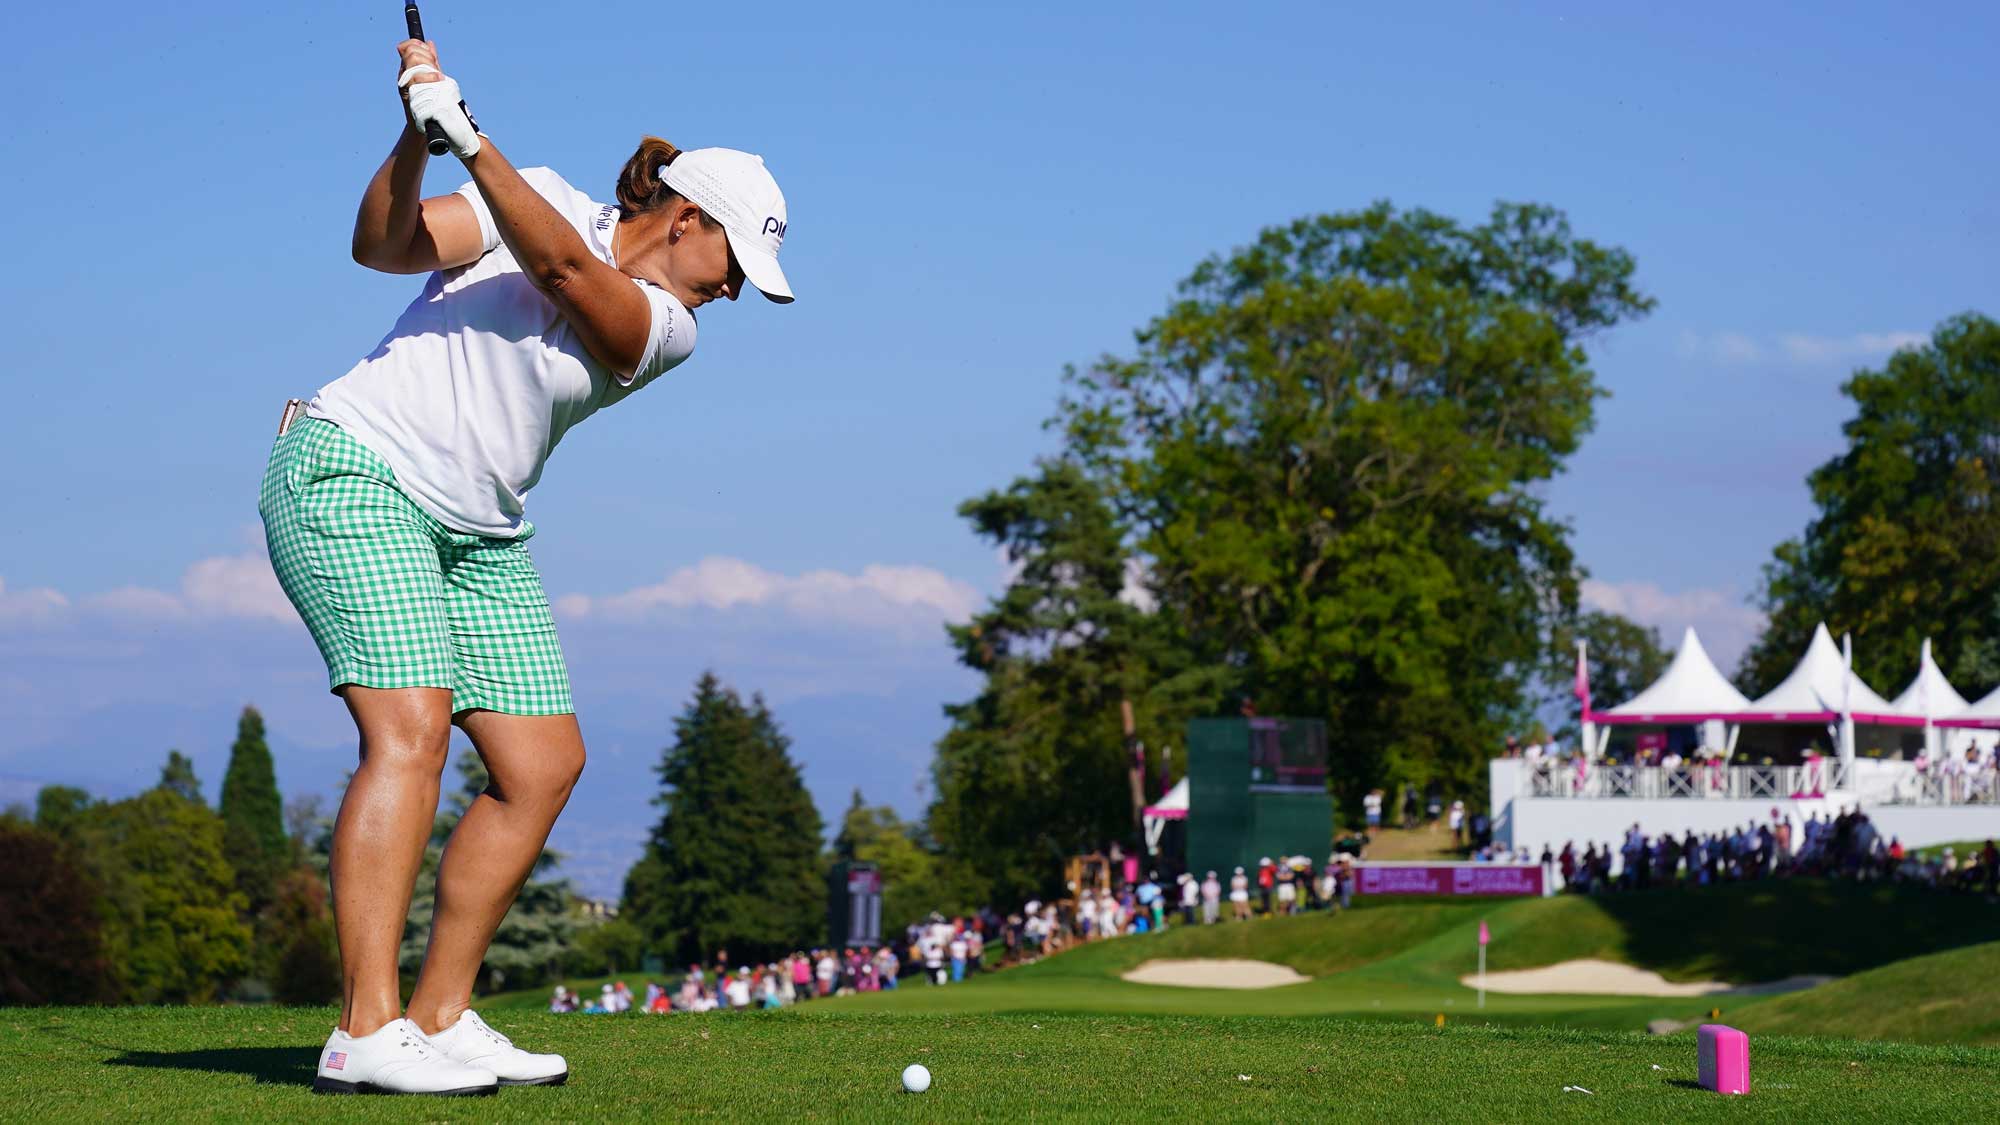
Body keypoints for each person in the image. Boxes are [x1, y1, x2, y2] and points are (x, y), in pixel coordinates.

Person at [285, 34, 794, 1099]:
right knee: (411, 731)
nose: (738, 293)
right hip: (355, 475)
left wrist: (471, 137)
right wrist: (418, 138)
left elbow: (564, 267)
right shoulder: (542, 195)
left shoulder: (666, 328)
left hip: (480, 533)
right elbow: (382, 249)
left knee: (542, 765)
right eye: (736, 265)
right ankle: (365, 1031)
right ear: (687, 219)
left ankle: (441, 1014)